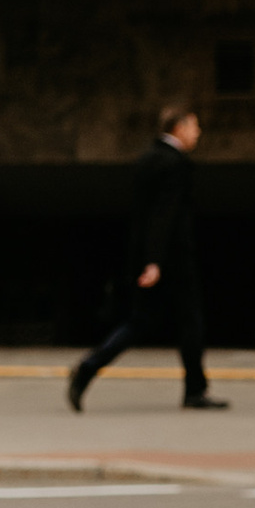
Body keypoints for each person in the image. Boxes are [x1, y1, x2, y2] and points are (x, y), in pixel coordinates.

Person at [65, 102, 228, 414]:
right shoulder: (175, 163)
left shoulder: (147, 160)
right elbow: (163, 216)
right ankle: (195, 391)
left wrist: (146, 259)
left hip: (148, 258)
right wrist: (156, 262)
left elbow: (144, 217)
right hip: (172, 261)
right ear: (179, 128)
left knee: (141, 322)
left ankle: (88, 367)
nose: (199, 132)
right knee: (190, 322)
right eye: (194, 126)